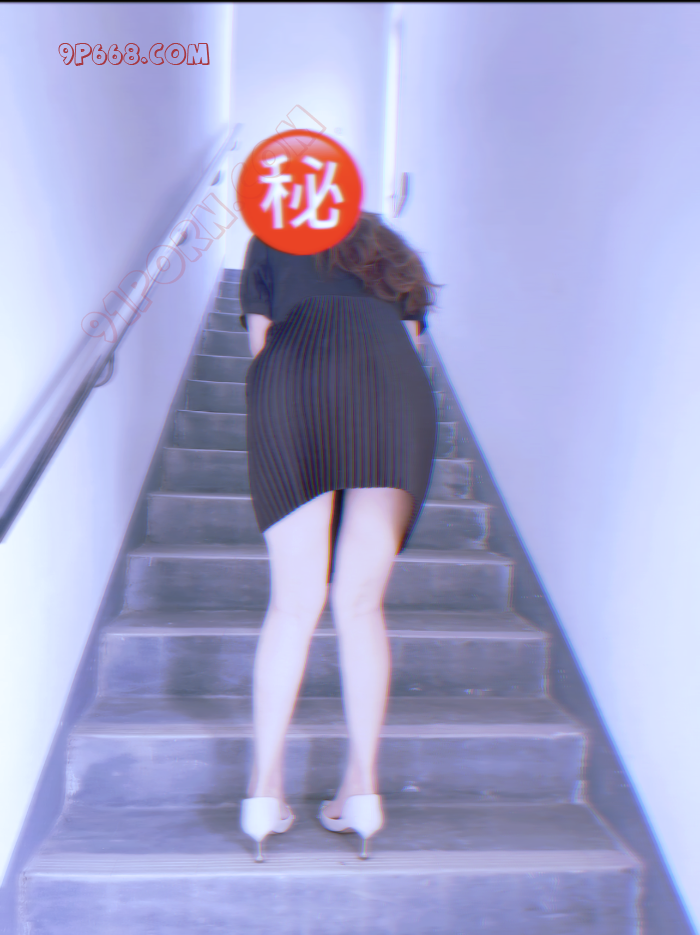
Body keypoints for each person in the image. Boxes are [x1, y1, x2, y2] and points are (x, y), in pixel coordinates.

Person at [238, 211, 439, 861]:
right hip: (390, 384)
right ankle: (362, 791)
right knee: (360, 604)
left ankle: (264, 791)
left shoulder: (271, 236)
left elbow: (262, 347)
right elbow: (411, 344)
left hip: (294, 378)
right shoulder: (386, 242)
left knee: (293, 604)